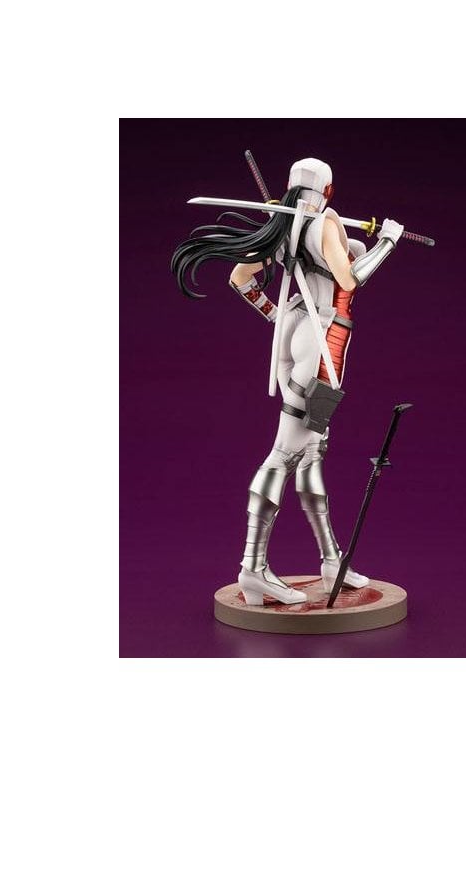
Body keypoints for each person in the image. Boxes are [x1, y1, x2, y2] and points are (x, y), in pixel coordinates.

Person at [172, 158, 403, 604]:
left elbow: (240, 279)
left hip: (297, 330)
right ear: (328, 191)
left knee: (313, 450)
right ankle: (252, 568)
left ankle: (331, 560)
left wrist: (278, 316)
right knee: (285, 453)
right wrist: (389, 241)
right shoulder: (324, 223)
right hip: (321, 342)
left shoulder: (284, 223)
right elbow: (349, 278)